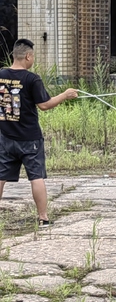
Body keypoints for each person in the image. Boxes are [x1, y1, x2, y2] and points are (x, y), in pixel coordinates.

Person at [0, 39, 79, 226]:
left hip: (4, 136)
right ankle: (43, 217)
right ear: (28, 56)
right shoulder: (32, 79)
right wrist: (65, 95)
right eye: (33, 56)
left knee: (0, 176)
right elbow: (44, 105)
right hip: (30, 138)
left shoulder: (1, 75)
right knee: (36, 177)